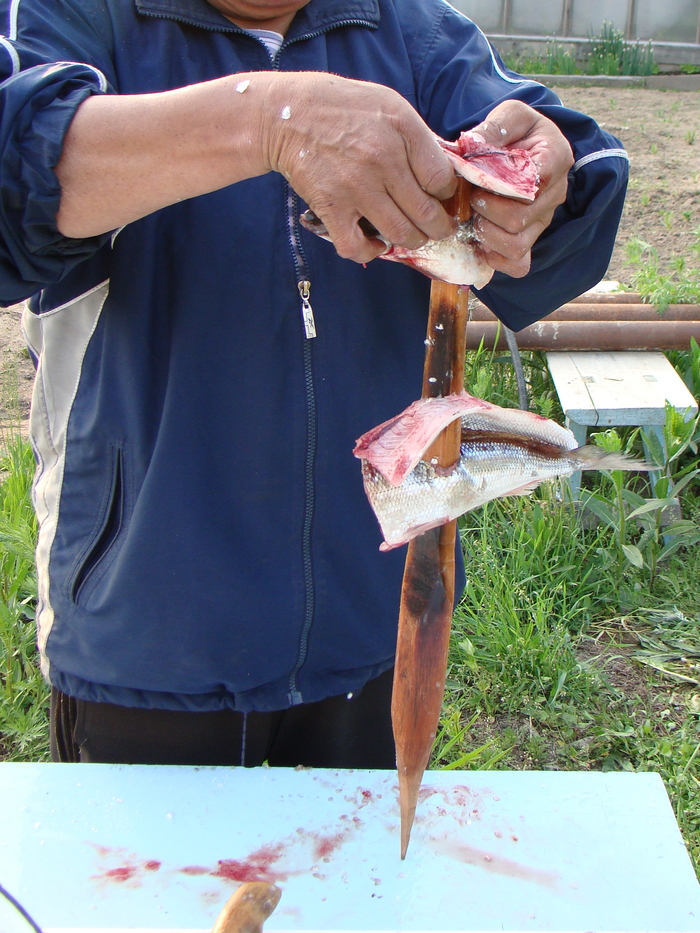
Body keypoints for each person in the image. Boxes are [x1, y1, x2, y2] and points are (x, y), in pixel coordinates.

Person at [0, 0, 627, 768]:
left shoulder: (406, 30)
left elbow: (576, 168)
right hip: (148, 637)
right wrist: (267, 120)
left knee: (362, 845)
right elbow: (16, 159)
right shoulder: (77, 15)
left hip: (374, 617)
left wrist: (540, 182)